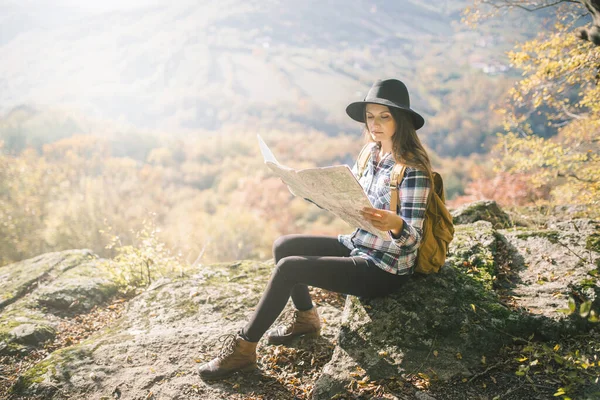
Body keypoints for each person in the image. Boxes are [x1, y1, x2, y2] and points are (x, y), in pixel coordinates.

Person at [198, 78, 433, 381]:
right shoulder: (369, 154)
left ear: (400, 120)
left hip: (384, 268)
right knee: (284, 245)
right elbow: (353, 202)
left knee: (289, 268)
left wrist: (396, 224)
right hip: (358, 243)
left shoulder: (412, 170)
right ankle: (306, 319)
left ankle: (243, 348)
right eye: (370, 116)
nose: (374, 124)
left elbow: (413, 240)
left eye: (384, 116)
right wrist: (308, 189)